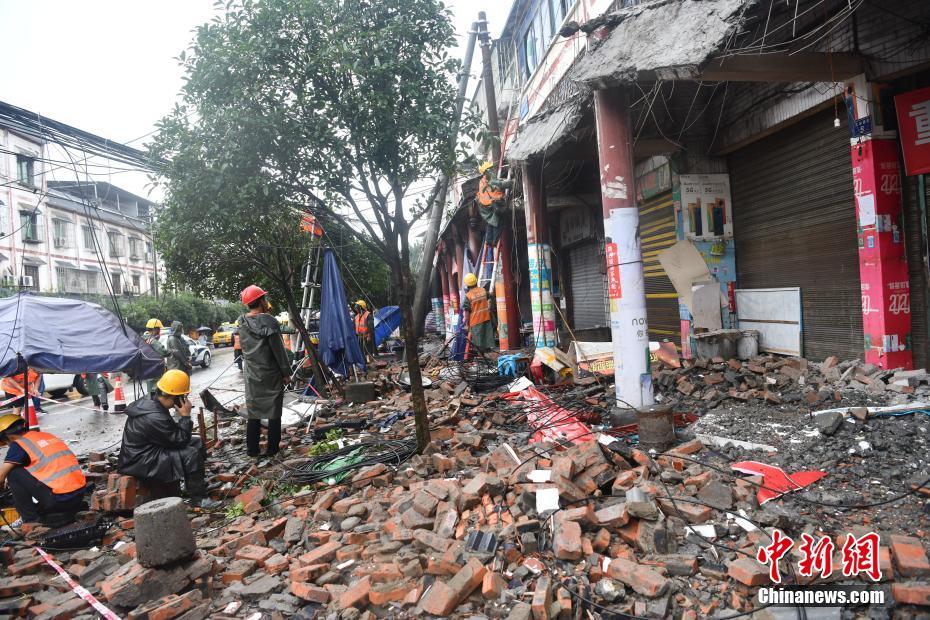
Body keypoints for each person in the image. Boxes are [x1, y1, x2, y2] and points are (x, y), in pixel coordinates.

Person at [116, 370, 220, 509]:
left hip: (148, 449)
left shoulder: (153, 401)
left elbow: (172, 435)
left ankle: (196, 485)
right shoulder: (154, 416)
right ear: (174, 396)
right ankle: (199, 499)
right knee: (191, 454)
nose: (184, 398)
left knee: (197, 442)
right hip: (140, 460)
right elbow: (180, 440)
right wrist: (185, 417)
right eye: (183, 395)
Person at [0, 413, 86, 526]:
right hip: (79, 494)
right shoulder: (45, 435)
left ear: (7, 436)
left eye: (5, 442)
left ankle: (30, 520)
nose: (7, 445)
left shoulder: (19, 444)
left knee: (13, 474)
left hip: (60, 500)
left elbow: (1, 475)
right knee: (23, 470)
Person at [238, 285, 291, 458]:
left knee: (254, 413)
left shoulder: (242, 322)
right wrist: (286, 372)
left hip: (252, 375)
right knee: (274, 413)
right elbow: (279, 350)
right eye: (264, 298)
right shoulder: (269, 321)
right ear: (261, 301)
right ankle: (272, 449)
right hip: (271, 374)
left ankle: (252, 450)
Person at [462, 272, 495, 353]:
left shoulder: (468, 296)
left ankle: (481, 355)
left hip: (476, 321)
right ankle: (488, 351)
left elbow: (467, 311)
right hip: (486, 317)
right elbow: (490, 295)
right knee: (487, 336)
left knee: (478, 340)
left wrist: (466, 323)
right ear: (476, 281)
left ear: (467, 285)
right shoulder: (483, 290)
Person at [142, 318, 170, 394]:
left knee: (151, 389)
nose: (159, 331)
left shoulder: (142, 339)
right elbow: (164, 352)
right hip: (156, 368)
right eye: (158, 329)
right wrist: (171, 351)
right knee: (158, 391)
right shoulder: (152, 341)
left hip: (147, 368)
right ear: (154, 329)